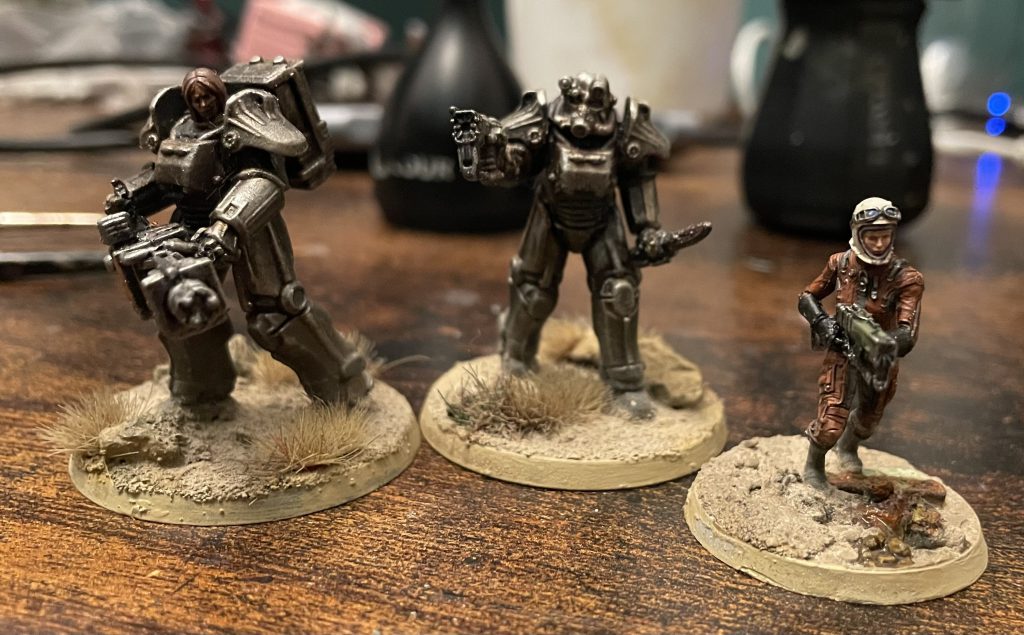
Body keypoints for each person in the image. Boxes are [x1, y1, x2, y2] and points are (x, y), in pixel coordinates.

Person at [97, 63, 371, 406]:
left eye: (207, 96)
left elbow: (264, 181)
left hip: (249, 226)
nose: (202, 104)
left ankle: (344, 382)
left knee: (277, 315)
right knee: (182, 307)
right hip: (191, 230)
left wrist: (226, 227)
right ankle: (202, 392)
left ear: (219, 94)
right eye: (195, 98)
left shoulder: (241, 125)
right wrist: (127, 198)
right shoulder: (180, 129)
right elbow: (164, 181)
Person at [797, 197, 924, 488]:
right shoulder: (840, 263)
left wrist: (880, 343)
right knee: (830, 424)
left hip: (879, 359)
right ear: (858, 233)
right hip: (842, 351)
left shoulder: (907, 279)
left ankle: (849, 447)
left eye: (885, 236)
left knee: (868, 421)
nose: (879, 244)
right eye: (872, 236)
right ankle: (814, 464)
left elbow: (907, 334)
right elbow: (807, 297)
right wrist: (823, 323)